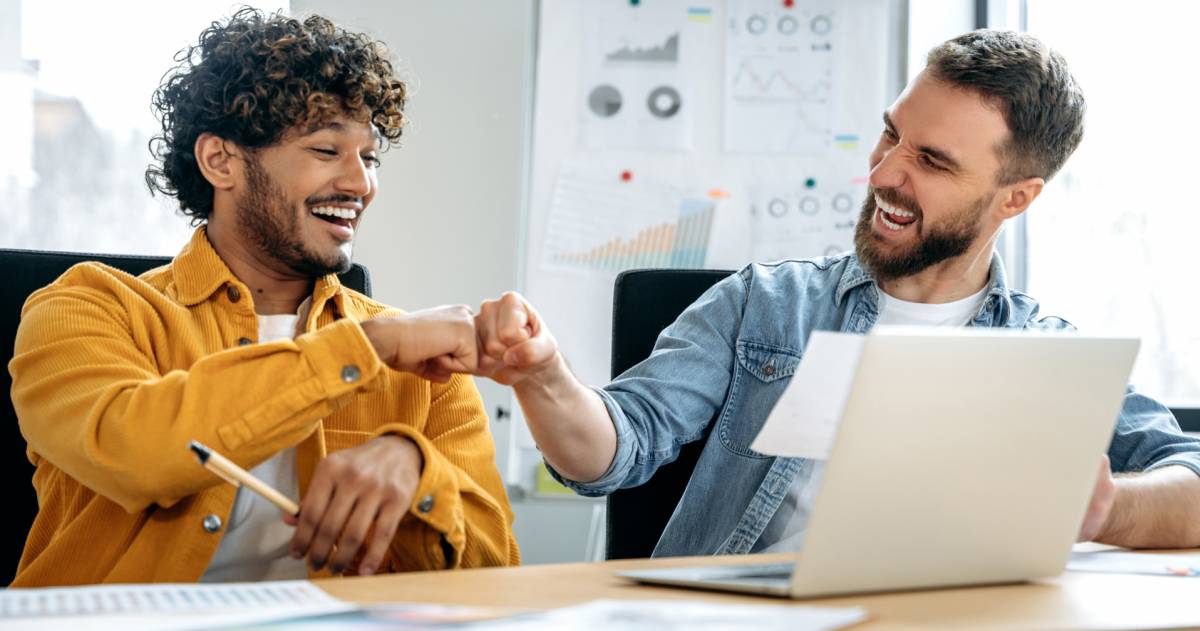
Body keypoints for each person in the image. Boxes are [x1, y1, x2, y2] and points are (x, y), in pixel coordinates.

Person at [470, 30, 1200, 556]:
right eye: (890, 135)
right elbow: (613, 452)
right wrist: (545, 378)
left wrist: (1105, 510)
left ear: (1016, 199)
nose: (885, 173)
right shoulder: (763, 305)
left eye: (932, 161)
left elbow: (1189, 480)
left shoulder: (1048, 353)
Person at [9, 8, 517, 586]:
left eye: (369, 158)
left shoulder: (425, 365)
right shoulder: (87, 305)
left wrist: (416, 470)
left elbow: (495, 570)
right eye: (327, 151)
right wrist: (364, 349)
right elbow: (132, 451)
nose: (360, 183)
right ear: (221, 161)